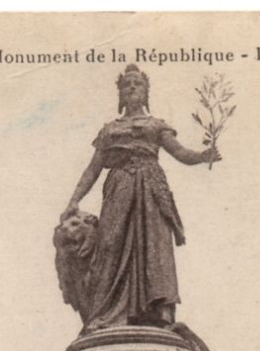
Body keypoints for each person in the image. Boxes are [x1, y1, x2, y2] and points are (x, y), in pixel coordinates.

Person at [60, 65, 218, 332]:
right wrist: (73, 200)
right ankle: (107, 312)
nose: (132, 87)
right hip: (119, 188)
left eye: (137, 84)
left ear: (146, 92)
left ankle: (158, 314)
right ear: (120, 94)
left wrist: (202, 156)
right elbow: (93, 169)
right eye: (127, 85)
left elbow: (180, 152)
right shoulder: (109, 130)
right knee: (110, 245)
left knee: (153, 246)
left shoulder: (157, 125)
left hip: (150, 189)